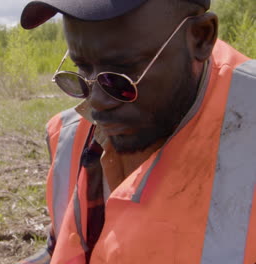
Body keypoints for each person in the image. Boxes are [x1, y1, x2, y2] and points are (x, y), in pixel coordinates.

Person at [18, 0, 256, 263]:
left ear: (201, 37)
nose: (95, 101)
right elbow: (59, 249)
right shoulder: (71, 137)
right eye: (82, 69)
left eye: (121, 74)